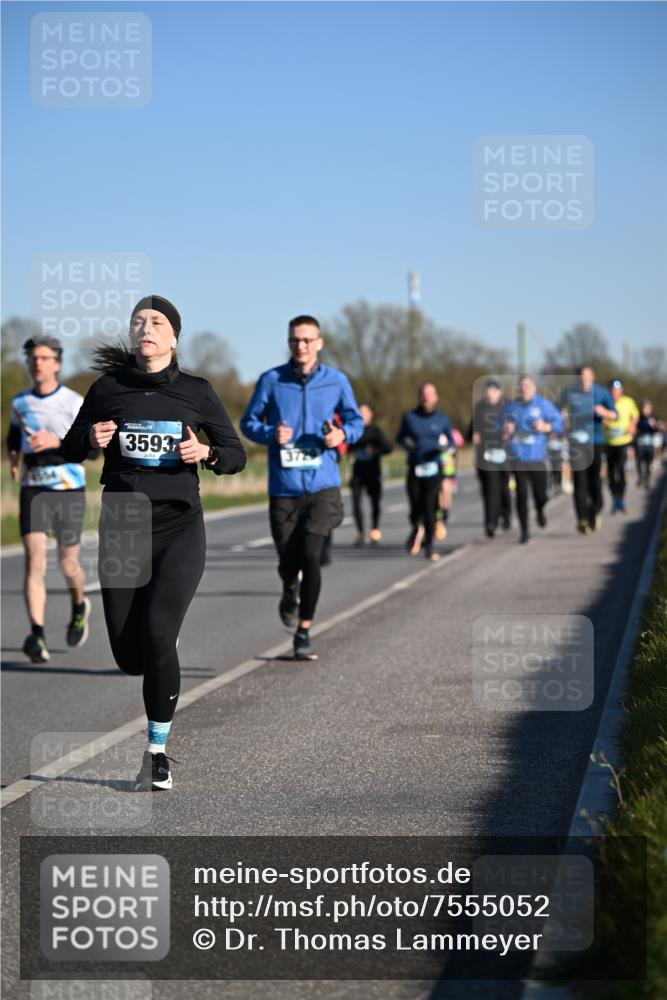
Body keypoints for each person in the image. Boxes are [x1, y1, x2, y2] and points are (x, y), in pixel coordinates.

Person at [62, 295, 246, 791]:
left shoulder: (196, 391)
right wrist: (90, 440)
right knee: (129, 655)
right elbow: (68, 445)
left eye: (157, 322)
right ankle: (158, 651)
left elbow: (236, 455)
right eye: (139, 322)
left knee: (161, 634)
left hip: (179, 524)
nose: (146, 327)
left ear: (173, 337)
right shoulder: (108, 388)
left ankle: (156, 753)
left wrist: (206, 452)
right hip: (123, 522)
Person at [240, 314, 363, 661]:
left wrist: (342, 434)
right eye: (295, 340)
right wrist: (270, 434)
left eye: (308, 340)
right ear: (289, 342)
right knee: (287, 561)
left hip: (323, 486)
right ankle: (288, 588)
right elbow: (248, 422)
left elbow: (355, 421)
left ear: (319, 343)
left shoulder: (336, 381)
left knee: (311, 556)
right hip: (285, 487)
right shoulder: (272, 380)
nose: (301, 346)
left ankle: (304, 631)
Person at [7, 335, 92, 664]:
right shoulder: (20, 402)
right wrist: (14, 457)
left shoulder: (73, 402)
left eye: (43, 358)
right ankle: (37, 633)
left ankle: (79, 604)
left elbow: (91, 449)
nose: (37, 363)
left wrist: (55, 441)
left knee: (67, 563)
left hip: (68, 488)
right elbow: (14, 435)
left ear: (57, 364)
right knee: (34, 560)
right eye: (32, 358)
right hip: (34, 488)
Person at [501, 375, 563, 544]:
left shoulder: (542, 405)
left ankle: (540, 509)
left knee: (541, 495)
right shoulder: (510, 407)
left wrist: (546, 426)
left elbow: (559, 422)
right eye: (521, 386)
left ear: (534, 388)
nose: (524, 389)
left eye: (527, 386)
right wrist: (506, 429)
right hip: (518, 457)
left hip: (537, 457)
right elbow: (498, 427)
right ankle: (524, 531)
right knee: (521, 494)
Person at [396, 382, 454, 561]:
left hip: (434, 468)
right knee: (415, 507)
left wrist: (445, 448)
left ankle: (429, 545)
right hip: (415, 467)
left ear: (436, 397)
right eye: (423, 394)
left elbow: (451, 442)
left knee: (429, 506)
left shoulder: (443, 419)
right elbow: (399, 437)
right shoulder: (409, 417)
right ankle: (416, 526)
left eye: (430, 394)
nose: (426, 397)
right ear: (419, 396)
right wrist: (407, 443)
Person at [559, 365, 617, 534]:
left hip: (595, 441)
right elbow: (556, 410)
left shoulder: (601, 392)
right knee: (579, 482)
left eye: (587, 376)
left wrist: (604, 412)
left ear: (593, 377)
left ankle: (594, 511)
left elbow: (615, 415)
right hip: (576, 443)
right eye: (581, 376)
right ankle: (582, 519)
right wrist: (563, 419)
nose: (584, 379)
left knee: (595, 482)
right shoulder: (569, 392)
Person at [469, 379, 512, 537]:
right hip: (485, 454)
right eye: (488, 392)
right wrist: (474, 434)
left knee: (503, 488)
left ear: (499, 393)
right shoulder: (480, 408)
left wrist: (510, 431)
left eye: (493, 391)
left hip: (503, 453)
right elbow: (471, 429)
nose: (490, 395)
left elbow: (518, 426)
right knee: (489, 489)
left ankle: (506, 514)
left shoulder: (508, 407)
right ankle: (490, 522)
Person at [347, 404, 393, 545]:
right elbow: (348, 448)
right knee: (355, 504)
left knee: (375, 502)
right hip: (358, 472)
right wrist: (350, 454)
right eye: (359, 413)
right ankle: (360, 533)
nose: (362, 415)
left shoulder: (375, 431)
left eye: (364, 413)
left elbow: (388, 447)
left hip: (373, 472)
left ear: (370, 415)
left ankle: (374, 529)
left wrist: (373, 451)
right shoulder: (353, 431)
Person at [603, 378, 638, 514]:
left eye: (617, 390)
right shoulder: (605, 402)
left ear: (621, 390)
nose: (614, 392)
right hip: (608, 442)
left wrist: (632, 425)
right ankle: (615, 499)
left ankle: (621, 500)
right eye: (612, 390)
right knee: (611, 473)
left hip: (623, 442)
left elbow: (635, 415)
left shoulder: (628, 402)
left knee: (621, 470)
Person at [435, 427, 463, 540]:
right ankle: (441, 511)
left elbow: (459, 443)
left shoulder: (452, 433)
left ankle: (446, 510)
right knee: (439, 491)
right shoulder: (434, 432)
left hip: (448, 466)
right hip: (437, 464)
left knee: (446, 489)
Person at [635, 400, 659, 488]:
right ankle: (640, 477)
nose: (646, 410)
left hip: (649, 445)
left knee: (649, 464)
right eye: (645, 408)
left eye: (648, 408)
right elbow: (636, 427)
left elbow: (657, 430)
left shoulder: (654, 417)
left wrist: (654, 426)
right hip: (640, 444)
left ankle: (647, 480)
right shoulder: (639, 417)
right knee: (639, 462)